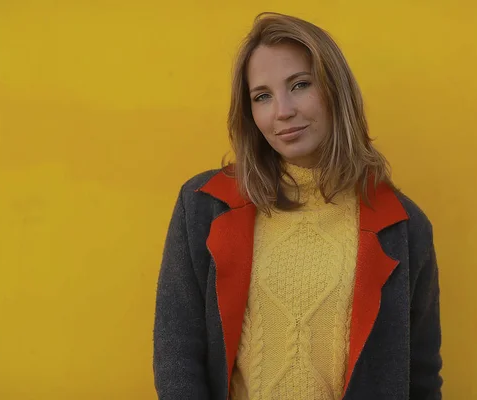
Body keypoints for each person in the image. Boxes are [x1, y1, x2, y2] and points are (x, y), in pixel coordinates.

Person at [153, 12, 442, 400]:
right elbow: (177, 357)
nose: (282, 111)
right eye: (262, 96)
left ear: (336, 89)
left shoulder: (404, 227)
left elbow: (420, 376)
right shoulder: (204, 206)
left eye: (301, 85)